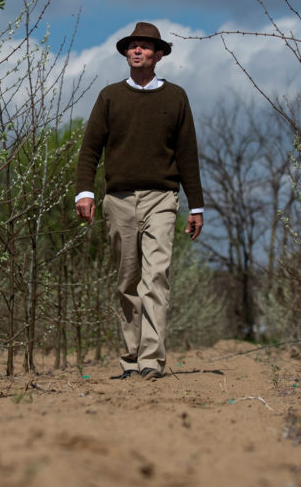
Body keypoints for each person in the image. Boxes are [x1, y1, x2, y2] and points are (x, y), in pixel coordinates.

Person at [74, 21, 205, 381]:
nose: (137, 50)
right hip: (118, 200)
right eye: (133, 45)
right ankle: (130, 358)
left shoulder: (175, 97)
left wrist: (196, 206)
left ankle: (151, 359)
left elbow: (187, 154)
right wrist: (84, 191)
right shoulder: (110, 96)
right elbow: (90, 148)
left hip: (162, 197)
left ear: (158, 54)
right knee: (127, 281)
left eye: (145, 46)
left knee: (156, 277)